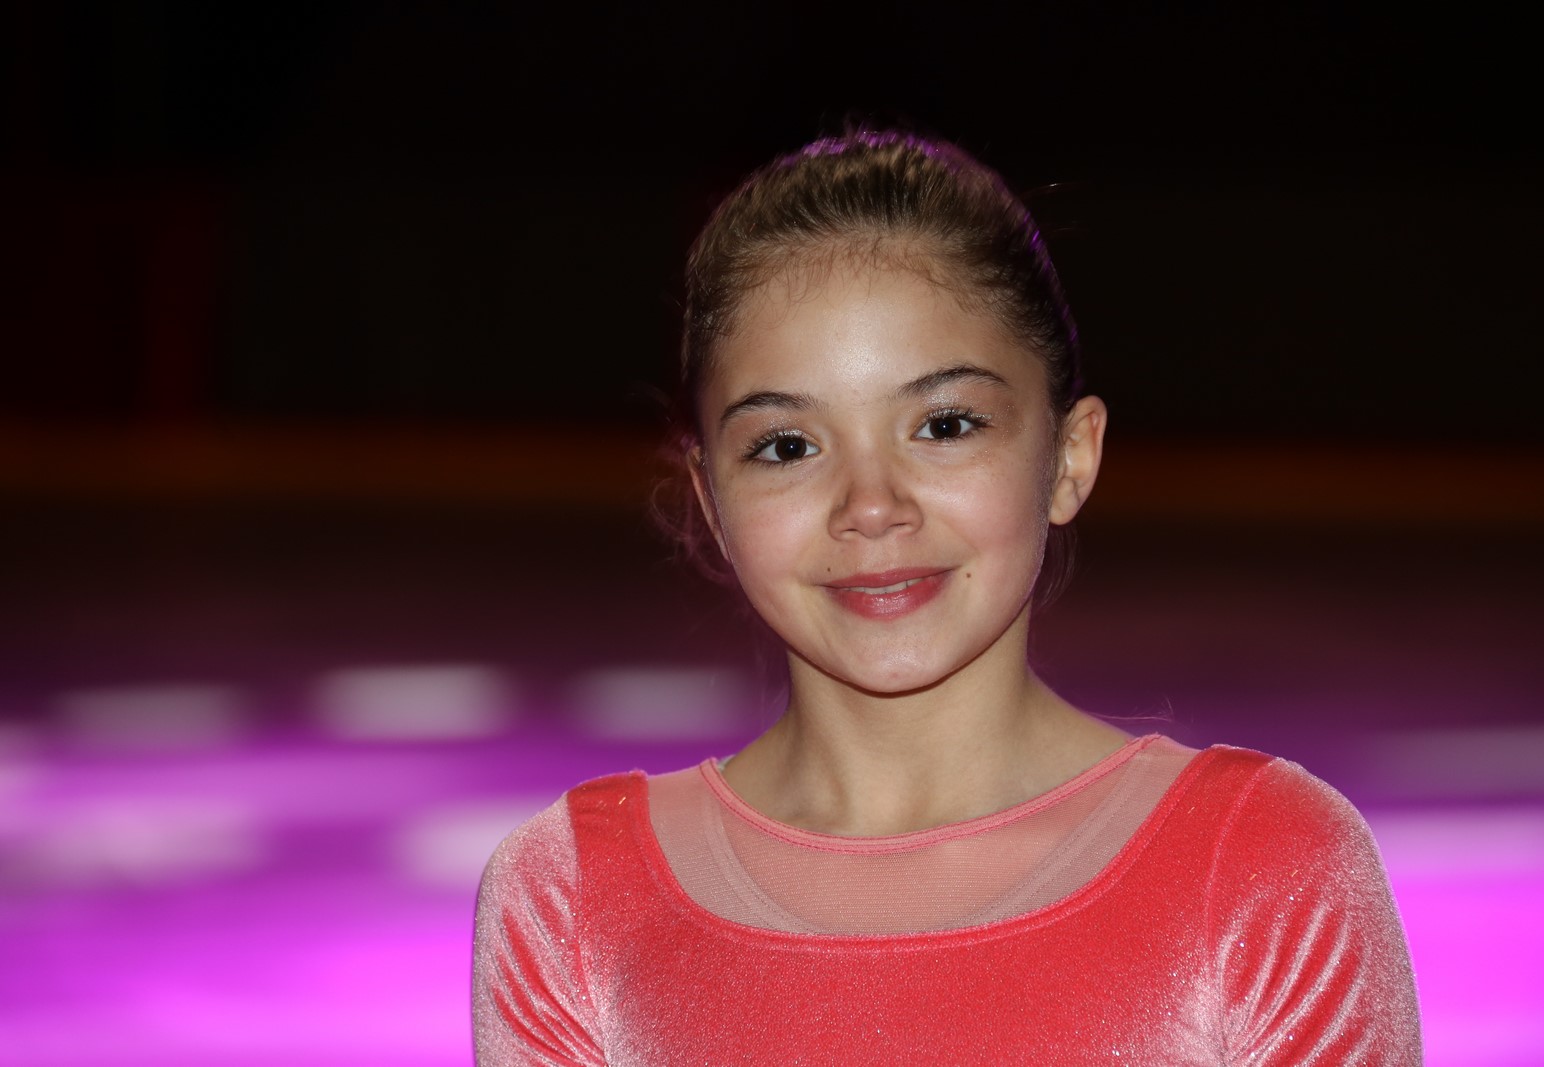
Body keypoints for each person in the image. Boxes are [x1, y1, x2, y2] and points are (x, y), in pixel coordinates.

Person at [473, 129, 1422, 1065]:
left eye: (944, 424)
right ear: (711, 502)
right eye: (787, 446)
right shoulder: (574, 899)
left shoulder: (1265, 867)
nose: (870, 506)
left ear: (1069, 455)